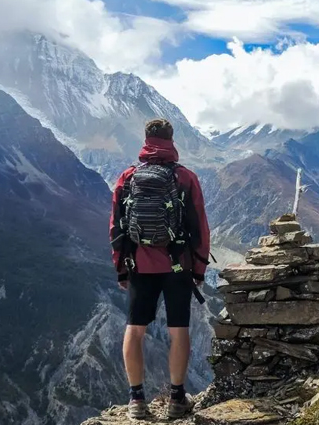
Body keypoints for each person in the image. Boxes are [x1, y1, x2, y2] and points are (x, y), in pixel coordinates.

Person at [109, 118, 211, 419]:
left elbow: (116, 227)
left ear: (145, 140)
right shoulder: (186, 178)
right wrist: (199, 269)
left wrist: (121, 268)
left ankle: (136, 400)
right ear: (172, 139)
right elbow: (200, 228)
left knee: (135, 329)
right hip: (178, 265)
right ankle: (177, 399)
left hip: (139, 264)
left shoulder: (127, 177)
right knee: (179, 331)